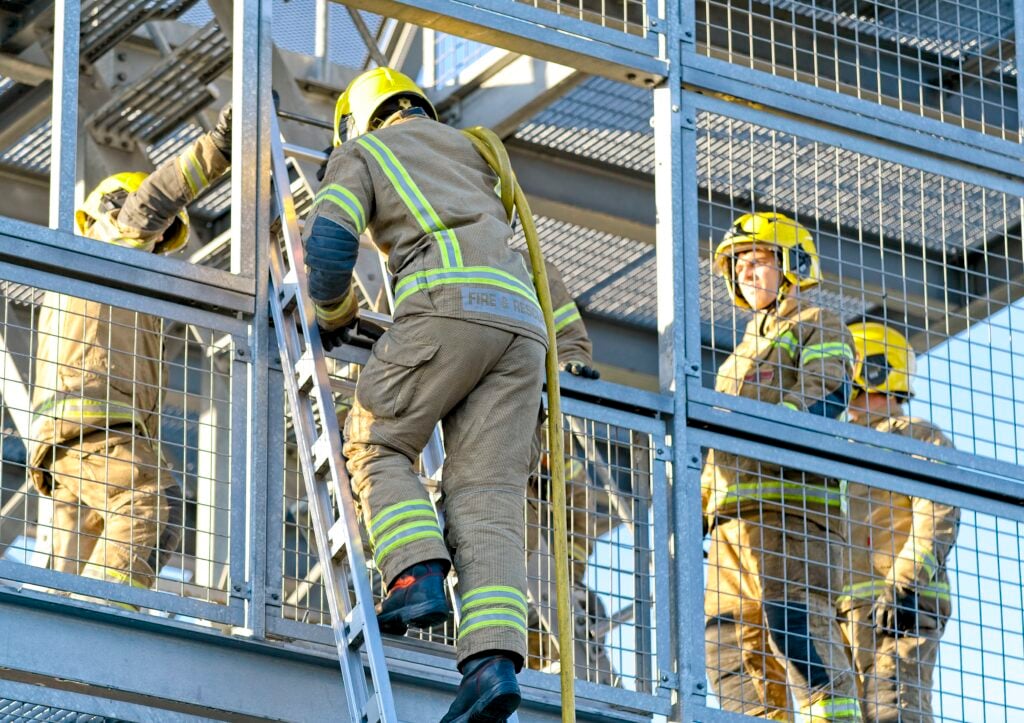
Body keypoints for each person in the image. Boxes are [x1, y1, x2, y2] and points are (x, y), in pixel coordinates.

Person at [308, 67, 547, 721]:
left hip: (447, 306)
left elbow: (329, 244)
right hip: (523, 333)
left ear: (355, 120)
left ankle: (415, 573)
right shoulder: (474, 153)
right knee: (489, 497)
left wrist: (334, 314)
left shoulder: (365, 151)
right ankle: (491, 666)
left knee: (376, 441)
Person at [28, 104, 233, 606]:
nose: (157, 241)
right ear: (110, 210)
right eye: (157, 231)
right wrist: (221, 147)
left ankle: (69, 638)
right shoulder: (108, 246)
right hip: (94, 423)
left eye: (163, 240)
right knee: (150, 502)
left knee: (74, 572)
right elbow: (151, 202)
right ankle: (107, 623)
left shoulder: (95, 278)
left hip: (75, 434)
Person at [702, 212, 860, 721]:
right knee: (728, 650)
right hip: (732, 527)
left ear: (793, 265)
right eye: (738, 266)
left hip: (792, 517)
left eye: (757, 260)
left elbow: (824, 394)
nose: (745, 273)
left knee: (798, 631)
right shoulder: (740, 354)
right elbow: (717, 447)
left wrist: (770, 433)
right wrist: (698, 505)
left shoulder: (819, 322)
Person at [840, 322, 959, 722]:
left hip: (902, 604)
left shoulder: (915, 436)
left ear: (873, 370)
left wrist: (904, 585)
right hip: (847, 610)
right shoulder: (838, 443)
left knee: (894, 707)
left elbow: (936, 515)